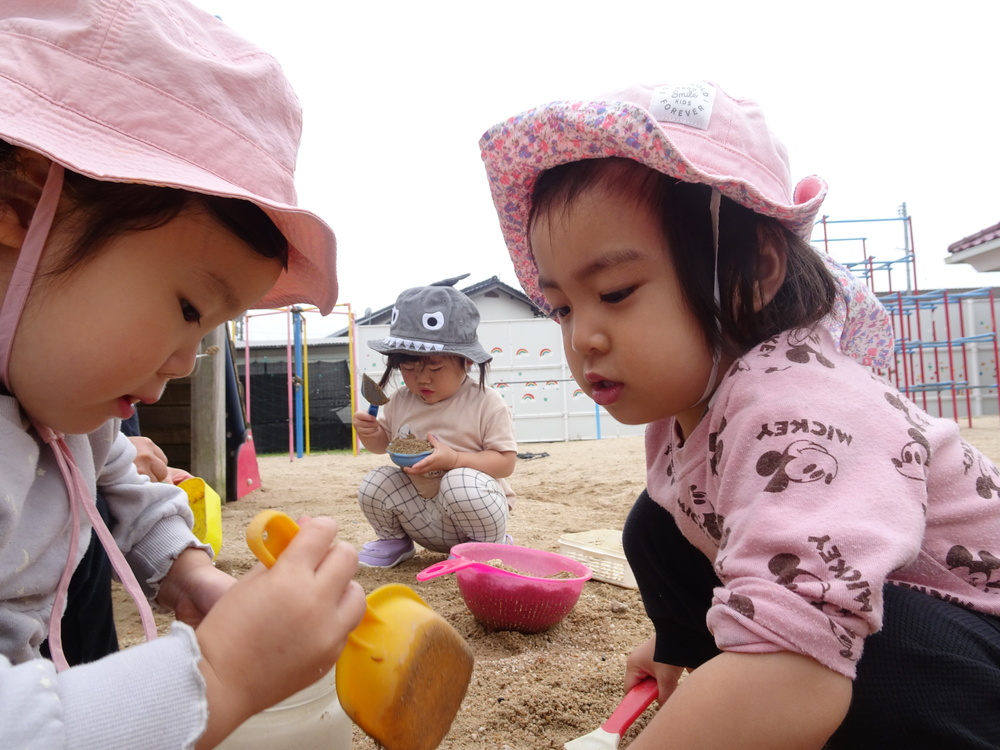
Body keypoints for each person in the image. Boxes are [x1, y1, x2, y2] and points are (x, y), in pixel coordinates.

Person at [479, 81, 1000, 748]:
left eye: (615, 291)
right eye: (563, 307)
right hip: (864, 599)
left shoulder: (805, 407)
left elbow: (801, 651)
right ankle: (715, 664)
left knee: (849, 648)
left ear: (755, 269)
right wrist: (681, 637)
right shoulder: (688, 406)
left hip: (971, 644)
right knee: (659, 525)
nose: (584, 337)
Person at [0, 2, 366, 749]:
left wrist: (191, 574)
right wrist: (223, 675)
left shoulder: (70, 405)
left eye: (209, 329)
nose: (186, 360)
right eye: (189, 306)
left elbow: (122, 485)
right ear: (22, 197)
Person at [351, 284, 516, 567]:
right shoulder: (402, 399)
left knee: (458, 480)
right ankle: (394, 541)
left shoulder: (485, 402)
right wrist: (371, 433)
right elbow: (383, 446)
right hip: (423, 515)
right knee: (376, 481)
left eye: (435, 368)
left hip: (475, 512)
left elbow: (505, 463)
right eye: (409, 368)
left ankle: (485, 547)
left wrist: (454, 459)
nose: (422, 379)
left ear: (465, 361)